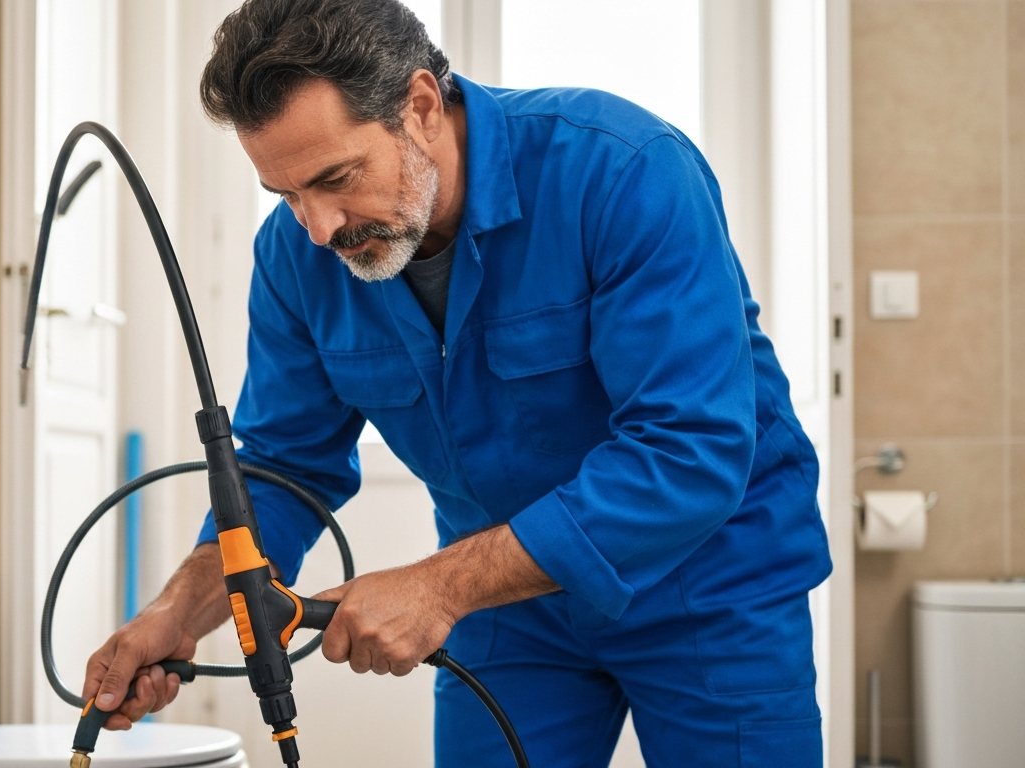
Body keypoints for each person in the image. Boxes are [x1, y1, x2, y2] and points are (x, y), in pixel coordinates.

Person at [82, 1, 832, 765]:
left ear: (421, 107)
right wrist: (179, 614)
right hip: (509, 606)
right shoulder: (296, 257)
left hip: (710, 585)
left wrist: (438, 587)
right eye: (287, 195)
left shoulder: (623, 172)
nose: (318, 227)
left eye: (336, 178)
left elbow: (689, 452)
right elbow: (282, 468)